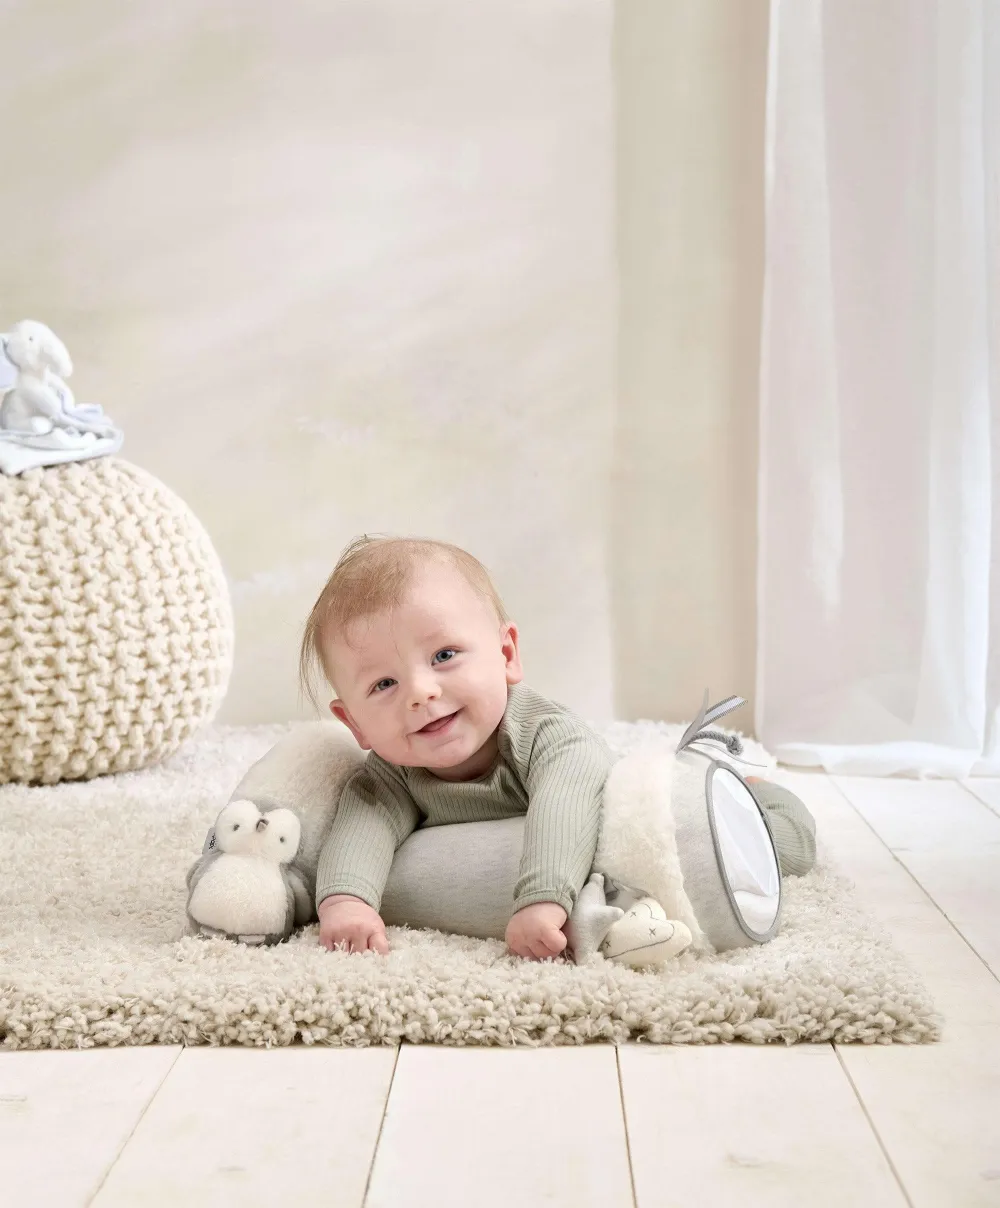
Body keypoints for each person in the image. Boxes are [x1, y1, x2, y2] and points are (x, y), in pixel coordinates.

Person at [299, 534, 815, 961]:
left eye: (444, 655)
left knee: (773, 847)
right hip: (582, 867)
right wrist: (346, 903)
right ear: (355, 724)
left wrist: (541, 900)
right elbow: (361, 830)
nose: (420, 692)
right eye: (384, 684)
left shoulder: (550, 737)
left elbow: (562, 807)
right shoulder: (389, 774)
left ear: (506, 655)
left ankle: (756, 793)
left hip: (632, 821)